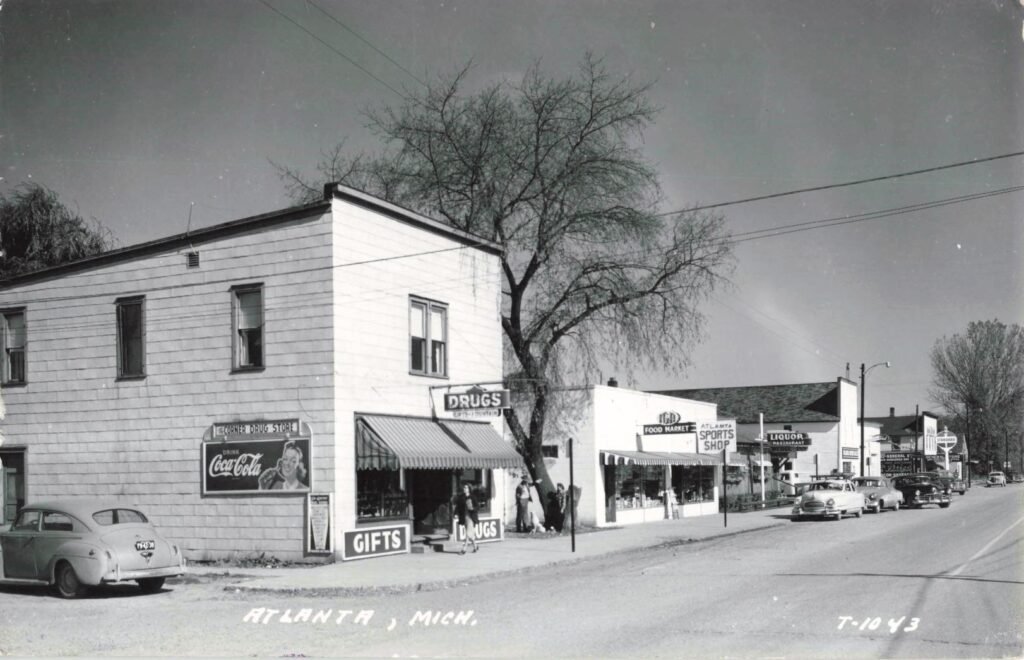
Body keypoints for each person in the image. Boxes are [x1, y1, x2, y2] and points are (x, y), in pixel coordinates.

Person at [454, 483, 479, 554]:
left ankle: (464, 549)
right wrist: (455, 514)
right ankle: (475, 546)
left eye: (466, 488)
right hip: (464, 517)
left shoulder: (473, 497)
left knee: (468, 534)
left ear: (469, 489)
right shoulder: (461, 497)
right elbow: (457, 506)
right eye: (464, 488)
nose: (464, 489)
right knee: (470, 534)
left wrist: (473, 508)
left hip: (471, 517)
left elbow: (477, 506)